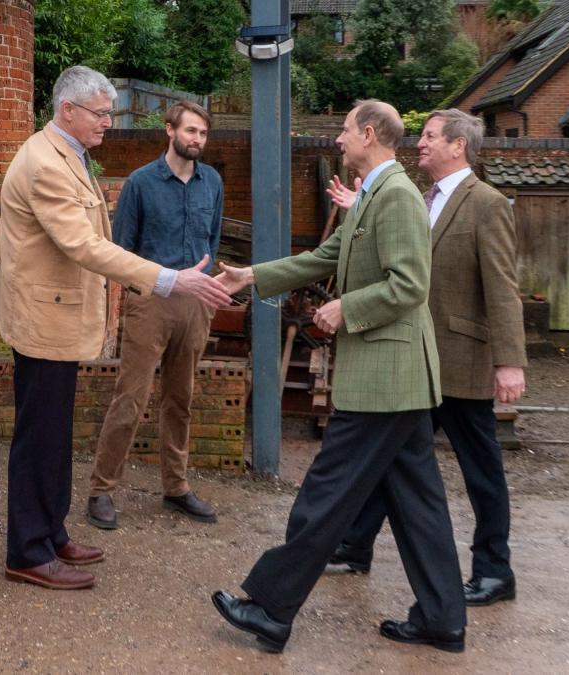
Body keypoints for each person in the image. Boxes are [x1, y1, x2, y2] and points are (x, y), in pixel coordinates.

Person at [209, 100, 467, 654]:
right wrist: (252, 274)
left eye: (345, 131)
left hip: (386, 379)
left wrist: (345, 310)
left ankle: (272, 610)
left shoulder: (394, 195)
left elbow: (410, 285)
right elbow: (325, 255)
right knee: (419, 506)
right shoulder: (375, 191)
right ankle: (443, 618)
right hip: (397, 381)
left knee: (323, 497)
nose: (337, 140)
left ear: (369, 134)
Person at [0, 66, 230, 591]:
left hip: (58, 317)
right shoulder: (45, 163)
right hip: (44, 319)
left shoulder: (69, 155)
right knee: (39, 437)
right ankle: (26, 552)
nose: (108, 123)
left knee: (54, 434)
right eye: (100, 114)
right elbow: (84, 245)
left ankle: (49, 534)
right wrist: (165, 278)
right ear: (67, 110)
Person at [324, 109, 527, 608]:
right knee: (390, 456)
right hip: (417, 359)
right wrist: (358, 208)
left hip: (459, 359)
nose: (421, 144)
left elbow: (503, 289)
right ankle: (354, 545)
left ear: (459, 146)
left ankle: (495, 570)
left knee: (481, 469)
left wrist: (510, 362)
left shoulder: (488, 204)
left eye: (432, 137)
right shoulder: (417, 198)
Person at [85, 101, 224, 529]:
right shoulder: (141, 184)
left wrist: (203, 291)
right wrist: (143, 293)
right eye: (190, 131)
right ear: (169, 130)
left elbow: (212, 240)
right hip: (152, 302)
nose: (196, 140)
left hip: (196, 303)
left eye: (202, 133)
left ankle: (176, 487)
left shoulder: (211, 182)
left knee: (180, 398)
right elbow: (122, 250)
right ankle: (101, 490)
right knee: (131, 397)